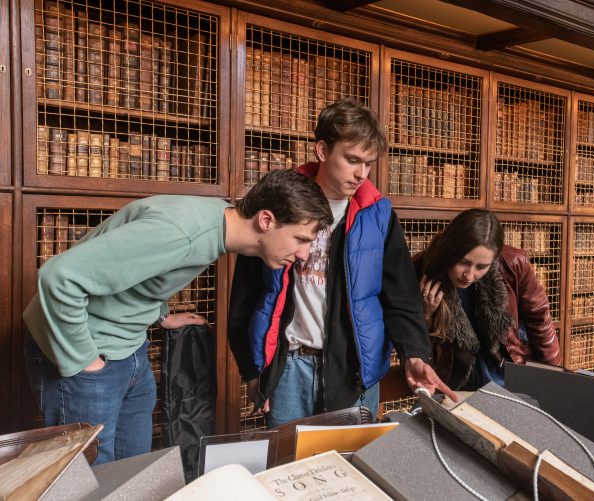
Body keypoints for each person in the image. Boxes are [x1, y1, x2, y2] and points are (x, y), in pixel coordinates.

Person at [23, 169, 333, 465]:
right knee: (88, 484)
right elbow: (58, 278)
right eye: (301, 239)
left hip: (129, 350)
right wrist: (87, 363)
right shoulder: (182, 233)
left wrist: (160, 315)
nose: (305, 254)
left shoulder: (219, 222)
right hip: (89, 353)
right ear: (266, 220)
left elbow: (142, 271)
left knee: (132, 475)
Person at [229, 99, 455, 428]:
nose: (361, 174)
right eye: (352, 160)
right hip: (288, 369)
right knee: (288, 470)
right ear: (322, 150)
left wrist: (414, 355)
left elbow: (400, 297)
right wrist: (251, 371)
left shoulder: (378, 216)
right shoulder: (279, 201)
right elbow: (246, 293)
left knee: (353, 467)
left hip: (354, 372)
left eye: (368, 163)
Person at [413, 209, 561, 390]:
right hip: (458, 381)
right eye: (463, 262)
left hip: (509, 373)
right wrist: (427, 315)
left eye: (481, 266)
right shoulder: (420, 268)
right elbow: (417, 344)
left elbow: (540, 319)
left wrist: (554, 382)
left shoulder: (513, 262)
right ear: (449, 250)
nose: (469, 275)